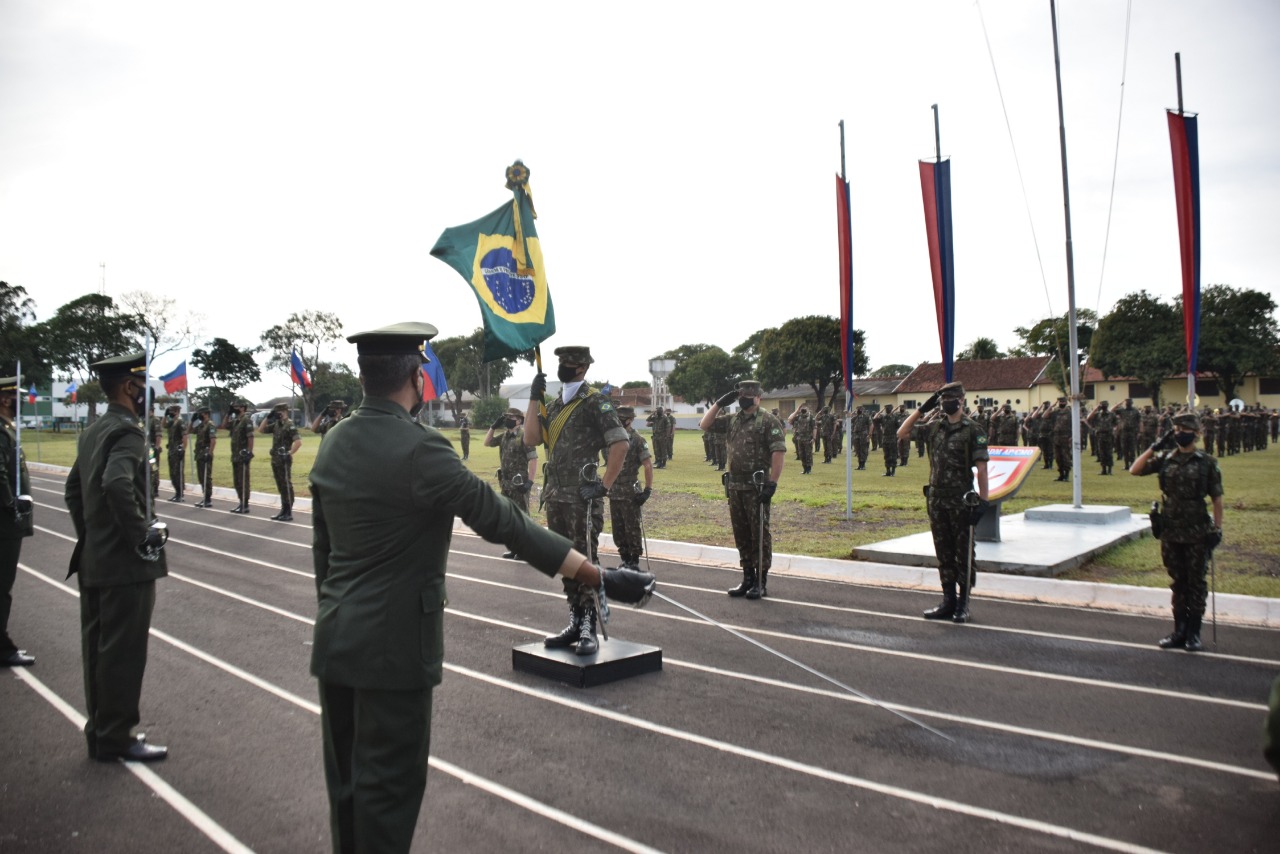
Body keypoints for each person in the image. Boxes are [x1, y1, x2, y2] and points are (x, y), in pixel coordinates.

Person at [309, 323, 654, 854]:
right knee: (388, 794)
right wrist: (600, 575)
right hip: (394, 648)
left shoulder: (333, 442)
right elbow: (506, 524)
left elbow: (323, 555)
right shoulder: (422, 449)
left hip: (335, 641)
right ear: (419, 379)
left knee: (349, 792)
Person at [64, 352, 169, 762]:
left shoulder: (94, 431)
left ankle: (101, 731)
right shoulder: (127, 432)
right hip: (125, 565)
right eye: (144, 388)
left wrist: (93, 537)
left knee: (97, 650)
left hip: (95, 559)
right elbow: (115, 483)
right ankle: (117, 736)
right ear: (129, 387)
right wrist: (141, 535)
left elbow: (75, 490)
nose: (149, 396)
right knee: (123, 654)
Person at [524, 345, 629, 656]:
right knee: (564, 561)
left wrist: (603, 486)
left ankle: (589, 626)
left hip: (583, 498)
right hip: (556, 496)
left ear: (582, 367)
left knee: (584, 560)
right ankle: (574, 619)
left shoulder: (595, 402)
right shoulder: (554, 407)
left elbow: (620, 443)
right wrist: (534, 397)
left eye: (569, 363)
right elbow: (530, 439)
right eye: (561, 362)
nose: (564, 367)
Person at [1130, 412, 1224, 652]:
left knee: (1196, 583)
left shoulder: (1206, 463)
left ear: (1195, 433)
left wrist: (1217, 529)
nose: (1179, 432)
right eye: (1176, 429)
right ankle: (1178, 631)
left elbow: (1217, 499)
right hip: (1171, 530)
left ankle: (1193, 633)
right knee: (1178, 582)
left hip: (1197, 532)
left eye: (1183, 428)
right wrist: (1155, 446)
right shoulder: (1166, 458)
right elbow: (1135, 470)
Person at [897, 382, 990, 624]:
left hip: (961, 500)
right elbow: (902, 433)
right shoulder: (934, 427)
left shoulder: (973, 430)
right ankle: (947, 601)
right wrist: (922, 409)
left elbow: (982, 470)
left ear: (962, 399)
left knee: (964, 554)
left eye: (952, 397)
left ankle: (963, 604)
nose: (947, 401)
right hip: (937, 499)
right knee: (943, 552)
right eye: (943, 398)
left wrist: (984, 501)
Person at [700, 380, 785, 599]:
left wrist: (772, 483)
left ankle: (760, 581)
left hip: (756, 487)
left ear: (759, 397)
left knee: (759, 535)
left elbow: (778, 452)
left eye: (750, 394)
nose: (745, 397)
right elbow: (705, 424)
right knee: (742, 534)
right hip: (735, 486)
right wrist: (719, 403)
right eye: (742, 394)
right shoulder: (733, 420)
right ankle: (747, 577)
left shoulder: (768, 420)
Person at [0, 376, 35, 667]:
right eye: (15, 396)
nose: (19, 401)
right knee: (2, 585)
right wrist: (13, 506)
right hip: (4, 523)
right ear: (3, 399)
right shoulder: (1, 433)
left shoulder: (7, 430)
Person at [484, 407, 538, 558]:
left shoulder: (524, 436)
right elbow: (487, 443)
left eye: (511, 417)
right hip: (506, 484)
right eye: (506, 416)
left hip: (520, 484)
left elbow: (533, 459)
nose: (507, 419)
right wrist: (493, 427)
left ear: (519, 420)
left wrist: (530, 482)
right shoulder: (505, 436)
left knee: (523, 517)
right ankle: (515, 548)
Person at [608, 406, 654, 569]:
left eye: (621, 418)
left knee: (631, 528)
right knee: (618, 529)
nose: (618, 420)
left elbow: (647, 465)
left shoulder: (637, 439)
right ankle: (624, 557)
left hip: (629, 492)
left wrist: (647, 490)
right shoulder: (611, 438)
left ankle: (633, 560)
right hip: (613, 490)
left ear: (630, 420)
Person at [259, 402, 301, 521]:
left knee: (286, 484)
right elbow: (261, 430)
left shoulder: (289, 425)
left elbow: (298, 442)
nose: (278, 414)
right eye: (276, 412)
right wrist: (268, 417)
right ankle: (283, 509)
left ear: (285, 411)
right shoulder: (276, 424)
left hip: (284, 460)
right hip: (275, 459)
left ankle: (288, 510)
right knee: (280, 484)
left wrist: (289, 453)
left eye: (279, 412)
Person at [227, 400, 256, 514]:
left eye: (237, 407)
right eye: (234, 407)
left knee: (243, 480)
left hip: (243, 456)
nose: (235, 408)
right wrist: (228, 413)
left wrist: (249, 452)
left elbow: (250, 437)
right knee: (237, 481)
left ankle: (245, 504)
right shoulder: (235, 421)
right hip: (235, 456)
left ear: (243, 408)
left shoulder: (246, 420)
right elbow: (223, 426)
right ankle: (240, 502)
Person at [189, 406, 218, 507]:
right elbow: (189, 431)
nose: (199, 416)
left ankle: (208, 499)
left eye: (200, 414)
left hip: (205, 454)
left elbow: (213, 440)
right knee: (201, 477)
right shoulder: (201, 425)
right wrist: (192, 421)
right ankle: (204, 497)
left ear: (206, 413)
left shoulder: (210, 425)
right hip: (199, 454)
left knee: (206, 476)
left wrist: (209, 453)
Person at [1086, 400, 1117, 475]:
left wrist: (1114, 430)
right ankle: (1103, 470)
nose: (1103, 406)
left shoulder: (1112, 414)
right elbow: (1088, 418)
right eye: (1102, 405)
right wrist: (1095, 409)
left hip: (1109, 435)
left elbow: (1116, 423)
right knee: (1101, 453)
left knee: (1109, 452)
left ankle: (1109, 470)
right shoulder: (1097, 414)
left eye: (1105, 405)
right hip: (1100, 435)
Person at [163, 405, 186, 502]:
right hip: (171, 450)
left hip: (177, 451)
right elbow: (163, 425)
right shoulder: (172, 422)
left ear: (176, 411)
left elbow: (185, 436)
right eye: (170, 411)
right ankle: (176, 492)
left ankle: (180, 494)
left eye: (172, 411)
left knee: (178, 472)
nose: (170, 413)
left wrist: (183, 449)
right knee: (172, 473)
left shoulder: (180, 422)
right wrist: (165, 415)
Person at [788, 405, 816, 474]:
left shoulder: (811, 417)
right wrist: (796, 411)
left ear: (808, 409)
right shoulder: (798, 417)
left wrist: (814, 438)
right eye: (802, 408)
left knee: (808, 454)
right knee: (801, 454)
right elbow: (790, 419)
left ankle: (809, 469)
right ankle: (804, 469)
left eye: (805, 408)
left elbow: (814, 428)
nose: (803, 409)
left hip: (808, 438)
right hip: (800, 438)